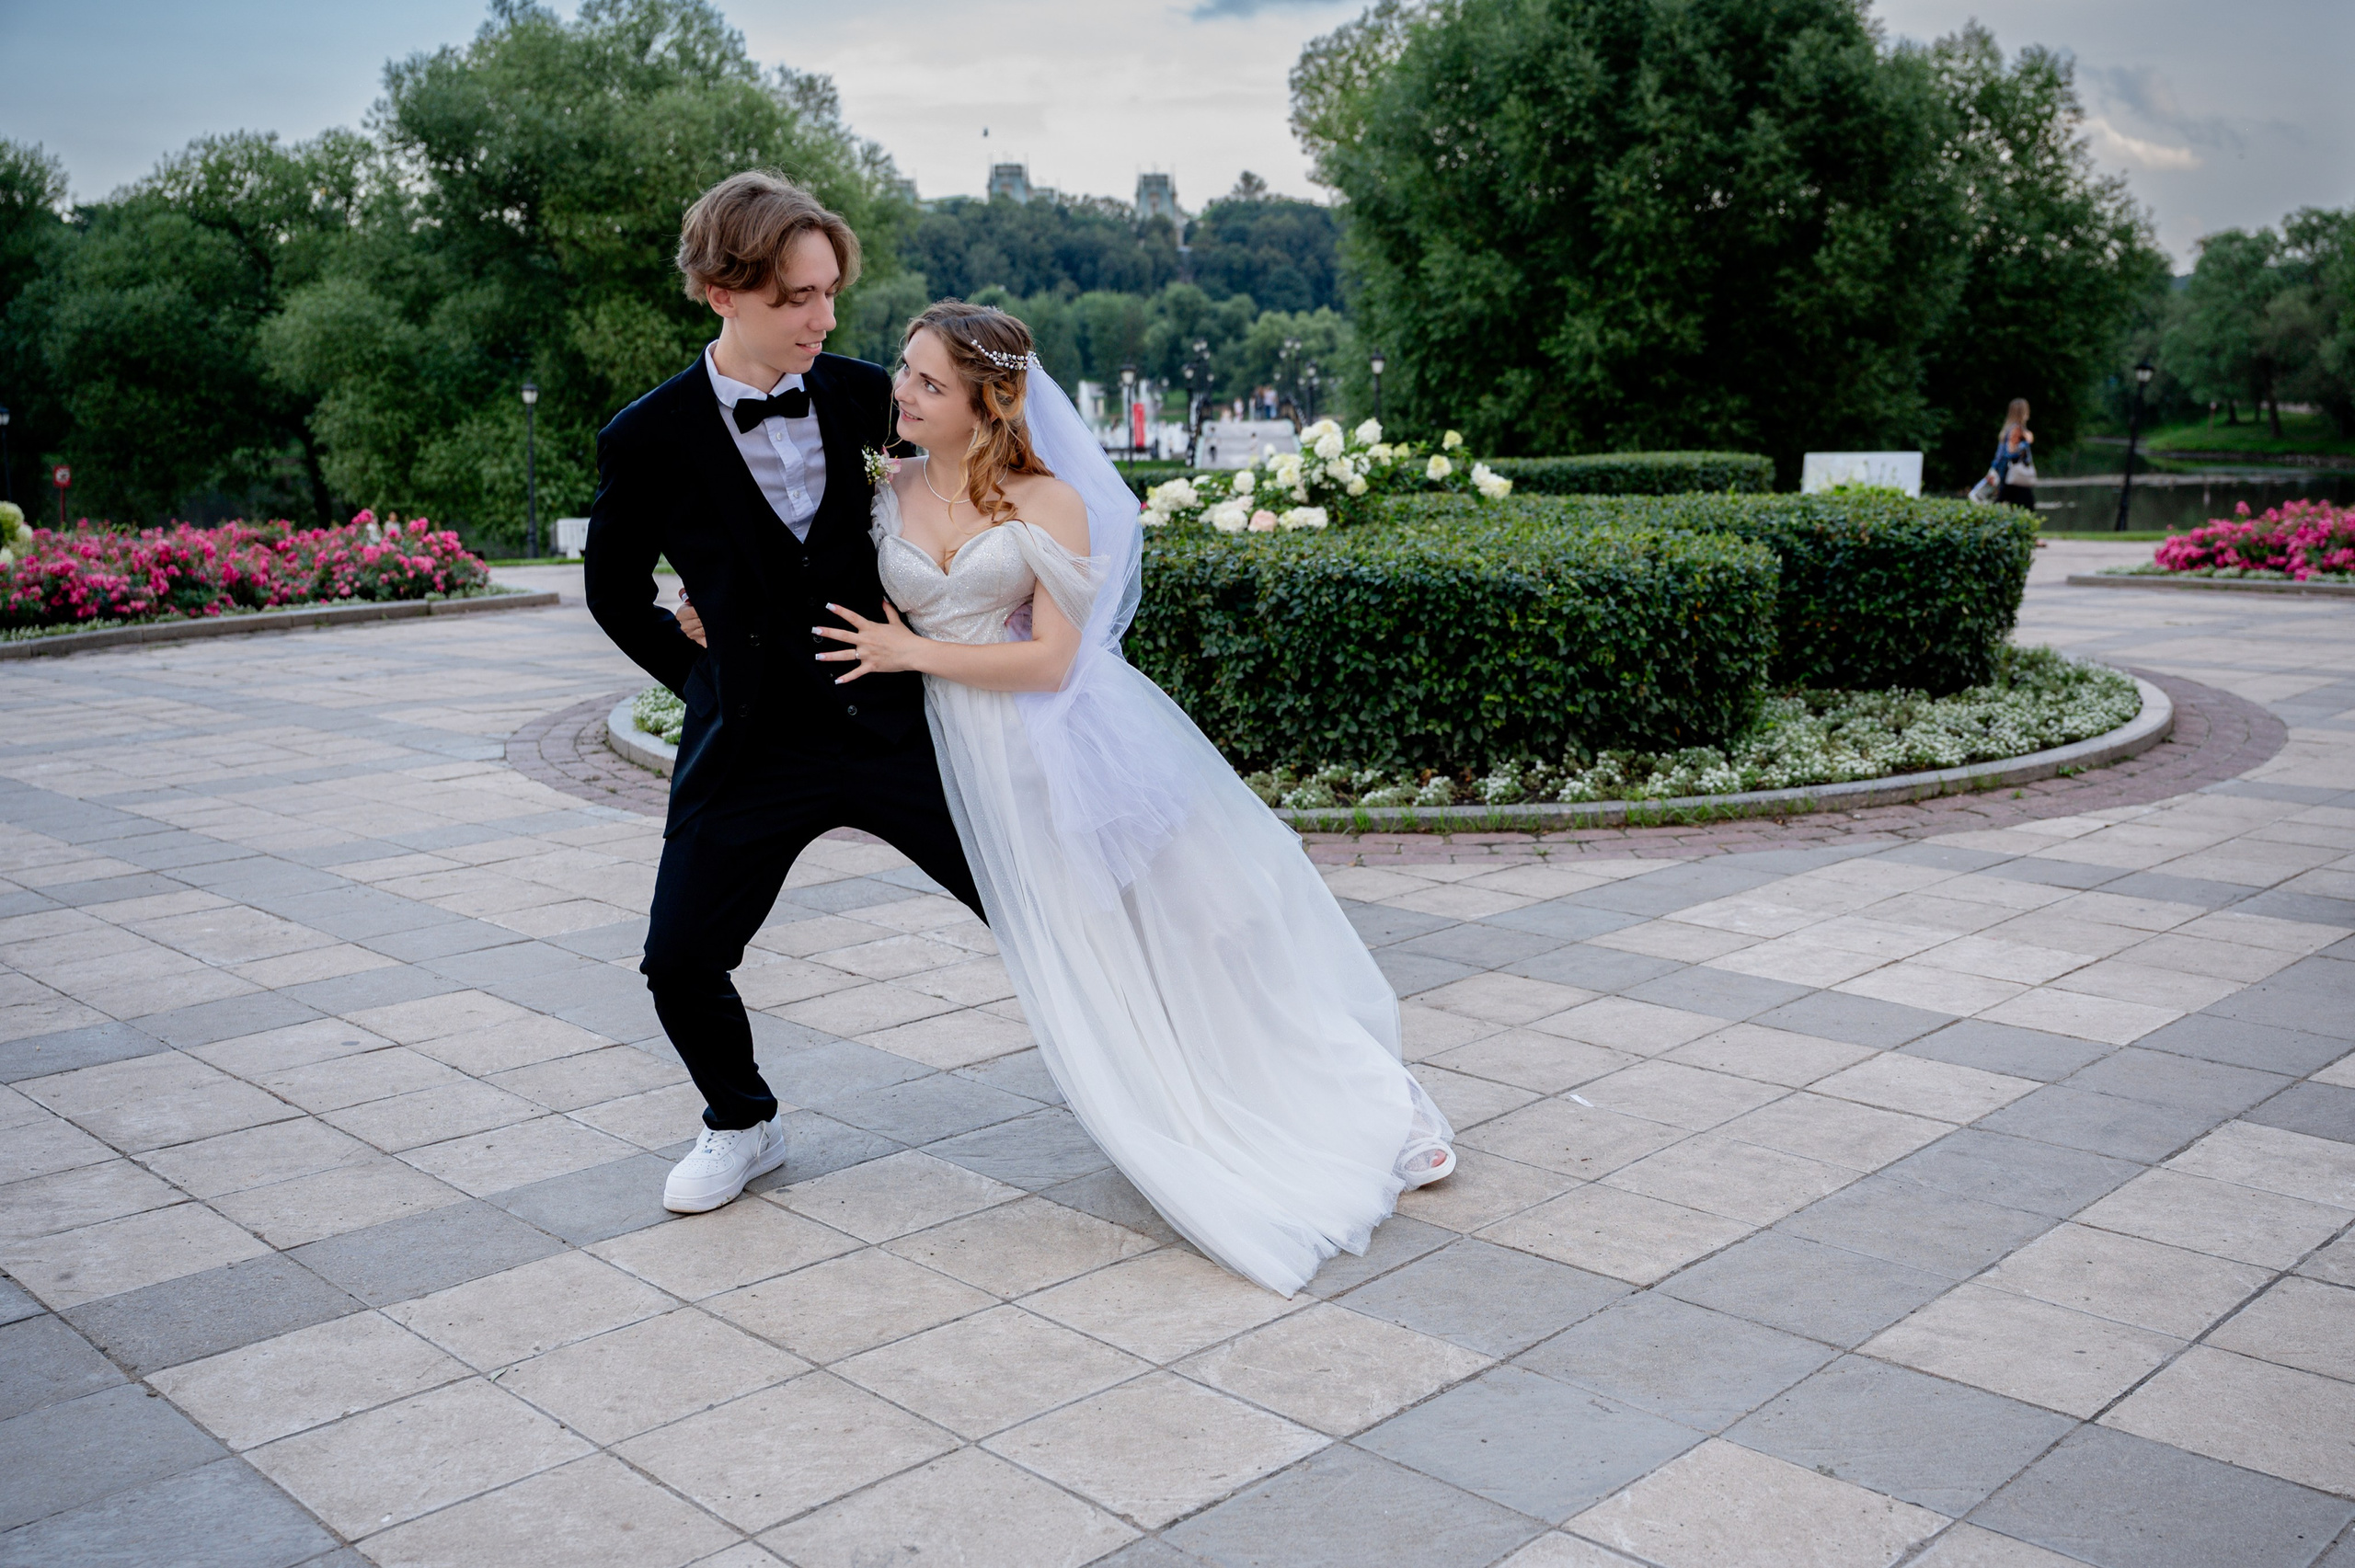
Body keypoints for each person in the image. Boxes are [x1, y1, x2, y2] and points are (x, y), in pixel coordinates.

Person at [800, 302, 1455, 1296]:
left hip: (1074, 746)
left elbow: (1052, 662)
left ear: (989, 403)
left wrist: (910, 652)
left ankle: (1372, 1104)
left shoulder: (1049, 501)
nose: (902, 392)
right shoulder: (884, 490)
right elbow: (816, 584)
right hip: (974, 762)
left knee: (1196, 936)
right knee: (1094, 955)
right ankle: (1159, 1097)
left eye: (930, 383)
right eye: (906, 370)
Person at [582, 172, 986, 1216]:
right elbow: (613, 593)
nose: (824, 317)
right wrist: (708, 674)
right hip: (753, 742)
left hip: (893, 721)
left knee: (1033, 905)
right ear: (722, 292)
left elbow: (970, 497)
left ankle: (1140, 1085)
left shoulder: (866, 396)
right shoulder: (647, 435)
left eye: (830, 291)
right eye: (797, 297)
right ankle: (741, 1121)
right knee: (678, 958)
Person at [1986, 398, 2037, 508]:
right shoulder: (2017, 430)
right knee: (2026, 505)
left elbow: (1999, 453)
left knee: (2006, 502)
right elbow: (2011, 451)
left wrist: (1994, 467)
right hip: (2015, 474)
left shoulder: (2008, 429)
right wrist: (2027, 441)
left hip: (2007, 473)